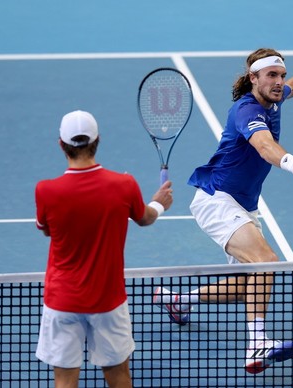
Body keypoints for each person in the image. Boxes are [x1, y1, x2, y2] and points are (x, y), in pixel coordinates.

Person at [153, 48, 293, 374]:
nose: (280, 82)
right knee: (266, 261)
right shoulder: (246, 111)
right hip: (217, 198)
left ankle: (178, 301)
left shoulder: (276, 97)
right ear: (253, 78)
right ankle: (257, 343)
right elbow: (265, 146)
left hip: (242, 205)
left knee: (248, 285)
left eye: (281, 75)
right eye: (272, 75)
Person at [35, 110, 173, 387]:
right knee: (119, 376)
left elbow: (47, 229)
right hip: (108, 301)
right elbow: (145, 218)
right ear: (98, 140)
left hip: (62, 300)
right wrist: (159, 202)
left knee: (64, 380)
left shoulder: (45, 191)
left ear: (61, 144)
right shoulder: (124, 185)